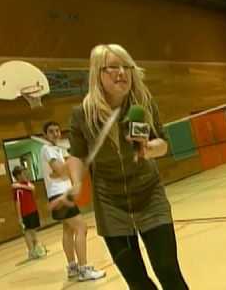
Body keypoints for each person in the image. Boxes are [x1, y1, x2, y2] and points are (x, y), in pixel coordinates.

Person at [62, 44, 188, 289]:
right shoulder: (82, 114)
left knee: (167, 270)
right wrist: (76, 182)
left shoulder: (143, 104)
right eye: (113, 67)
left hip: (150, 196)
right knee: (137, 281)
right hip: (110, 206)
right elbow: (77, 155)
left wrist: (152, 148)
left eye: (127, 66)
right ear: (98, 73)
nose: (122, 72)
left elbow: (162, 142)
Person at [40, 121, 106, 282]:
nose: (56, 134)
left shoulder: (56, 150)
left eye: (57, 130)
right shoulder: (47, 149)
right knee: (81, 228)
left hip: (62, 193)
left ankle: (72, 267)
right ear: (45, 135)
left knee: (68, 230)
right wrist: (72, 161)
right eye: (51, 131)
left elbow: (61, 172)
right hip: (60, 194)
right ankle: (84, 269)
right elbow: (61, 170)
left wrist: (64, 169)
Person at [12, 165, 44, 260]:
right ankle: (31, 251)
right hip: (25, 213)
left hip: (33, 210)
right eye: (22, 173)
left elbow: (33, 188)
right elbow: (17, 203)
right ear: (18, 175)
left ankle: (36, 249)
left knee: (33, 231)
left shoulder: (25, 184)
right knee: (27, 232)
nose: (25, 174)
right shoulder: (17, 190)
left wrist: (20, 185)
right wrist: (19, 217)